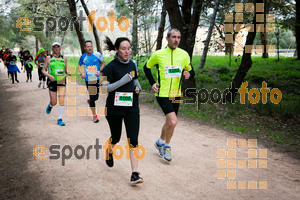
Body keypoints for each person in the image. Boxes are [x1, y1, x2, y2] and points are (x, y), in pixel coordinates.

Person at [144, 28, 195, 162]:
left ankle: (160, 142)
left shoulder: (184, 55)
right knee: (173, 121)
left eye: (178, 37)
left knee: (169, 122)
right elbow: (146, 67)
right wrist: (152, 83)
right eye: (173, 37)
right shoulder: (158, 54)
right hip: (162, 93)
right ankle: (167, 147)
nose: (176, 40)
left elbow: (190, 70)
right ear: (167, 39)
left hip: (175, 93)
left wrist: (189, 74)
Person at [102, 37, 143, 184]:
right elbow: (104, 88)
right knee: (116, 137)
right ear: (117, 50)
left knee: (133, 140)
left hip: (132, 107)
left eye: (128, 48)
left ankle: (135, 174)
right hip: (114, 109)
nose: (127, 51)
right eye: (123, 49)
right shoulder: (109, 67)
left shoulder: (132, 64)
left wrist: (138, 88)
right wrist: (122, 81)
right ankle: (109, 150)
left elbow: (135, 80)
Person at [42, 42, 71, 126]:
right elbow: (43, 70)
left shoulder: (64, 58)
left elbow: (65, 69)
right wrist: (49, 75)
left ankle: (59, 118)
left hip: (62, 80)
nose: (56, 48)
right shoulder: (48, 58)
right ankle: (51, 105)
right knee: (54, 102)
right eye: (54, 47)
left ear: (60, 48)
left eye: (57, 47)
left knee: (61, 99)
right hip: (52, 81)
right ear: (52, 49)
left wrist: (68, 72)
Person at [78, 40, 106, 123]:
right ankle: (95, 116)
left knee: (96, 97)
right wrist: (81, 73)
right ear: (85, 48)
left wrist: (99, 71)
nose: (90, 48)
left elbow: (103, 63)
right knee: (93, 98)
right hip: (88, 79)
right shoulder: (83, 57)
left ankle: (90, 101)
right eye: (88, 46)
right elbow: (79, 66)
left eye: (91, 46)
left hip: (96, 78)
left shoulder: (97, 54)